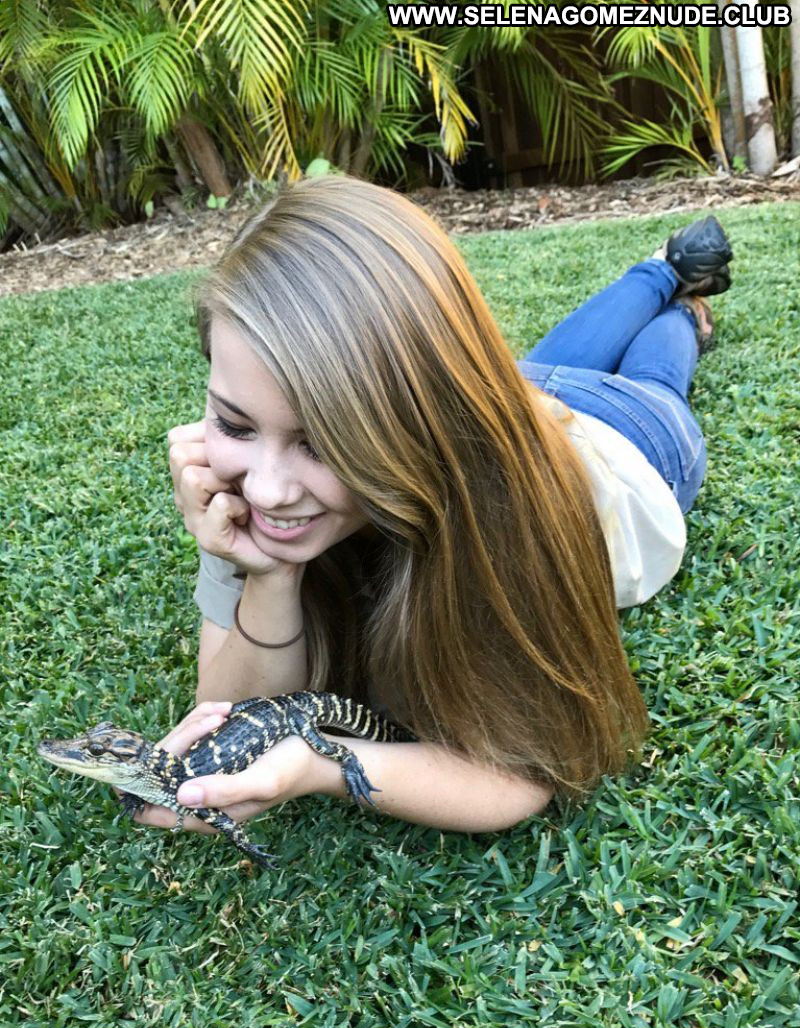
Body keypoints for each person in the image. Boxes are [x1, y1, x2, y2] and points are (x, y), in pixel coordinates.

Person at [134, 177, 732, 841]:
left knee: (656, 375)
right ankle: (663, 268)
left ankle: (678, 295)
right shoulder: (239, 484)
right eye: (234, 423)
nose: (267, 491)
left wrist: (324, 767)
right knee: (532, 368)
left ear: (415, 421)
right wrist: (270, 572)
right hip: (515, 393)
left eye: (324, 442)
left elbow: (520, 773)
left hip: (626, 439)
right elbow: (232, 714)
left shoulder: (501, 502)